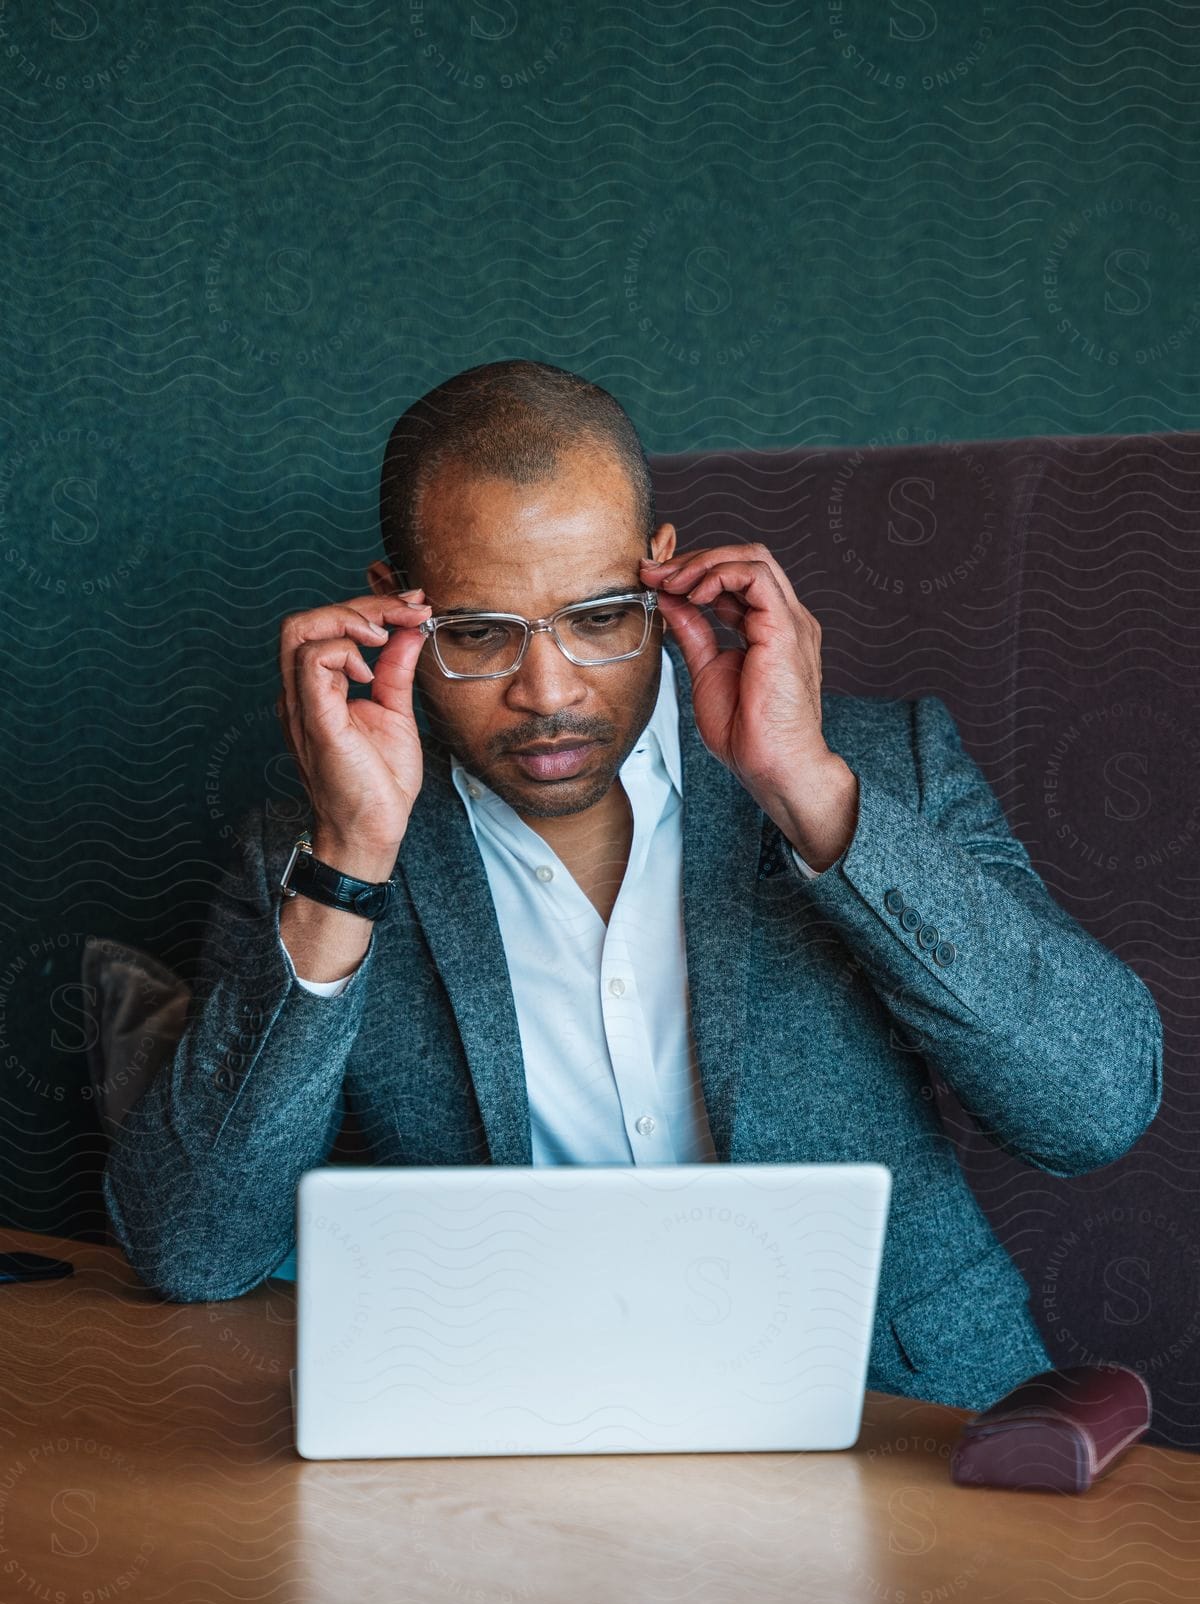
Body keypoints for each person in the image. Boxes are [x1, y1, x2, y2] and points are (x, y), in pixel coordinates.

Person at [103, 359, 1163, 1409]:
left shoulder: (885, 771)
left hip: (901, 1423)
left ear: (664, 569)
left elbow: (1095, 1108)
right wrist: (350, 863)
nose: (548, 693)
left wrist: (815, 799)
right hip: (517, 1436)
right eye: (478, 635)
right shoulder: (313, 854)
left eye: (600, 617)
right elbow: (193, 1251)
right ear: (397, 608)